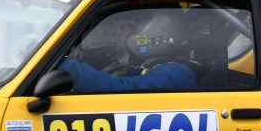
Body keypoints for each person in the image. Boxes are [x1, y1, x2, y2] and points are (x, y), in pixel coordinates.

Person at [59, 9, 197, 93]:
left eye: (125, 27)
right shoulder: (118, 60)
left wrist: (67, 68)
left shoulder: (178, 73)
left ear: (156, 31)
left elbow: (121, 90)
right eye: (115, 27)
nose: (115, 34)